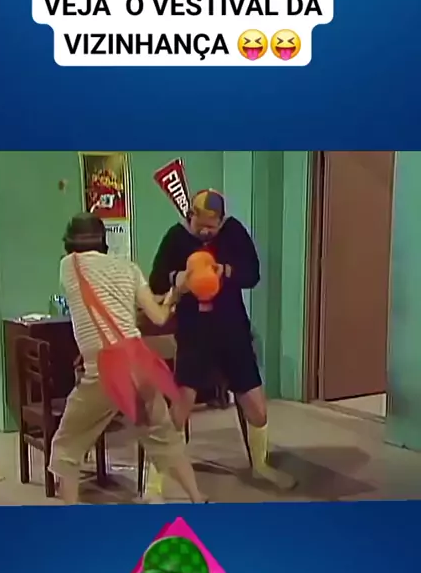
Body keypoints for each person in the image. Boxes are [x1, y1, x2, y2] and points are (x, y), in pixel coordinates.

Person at [49, 213, 207, 505]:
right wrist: (175, 293)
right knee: (165, 439)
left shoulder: (68, 266)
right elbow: (158, 317)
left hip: (105, 370)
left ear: (70, 242)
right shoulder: (128, 268)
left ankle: (70, 518)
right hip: (140, 363)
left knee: (67, 446)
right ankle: (199, 499)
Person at [149, 189, 296, 490]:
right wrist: (178, 279)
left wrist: (225, 271)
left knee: (258, 409)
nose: (205, 231)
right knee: (180, 408)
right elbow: (156, 281)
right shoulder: (176, 238)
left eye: (211, 226)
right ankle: (155, 479)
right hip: (194, 333)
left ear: (221, 220)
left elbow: (252, 274)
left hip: (233, 330)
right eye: (200, 225)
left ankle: (260, 465)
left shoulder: (233, 232)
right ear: (190, 215)